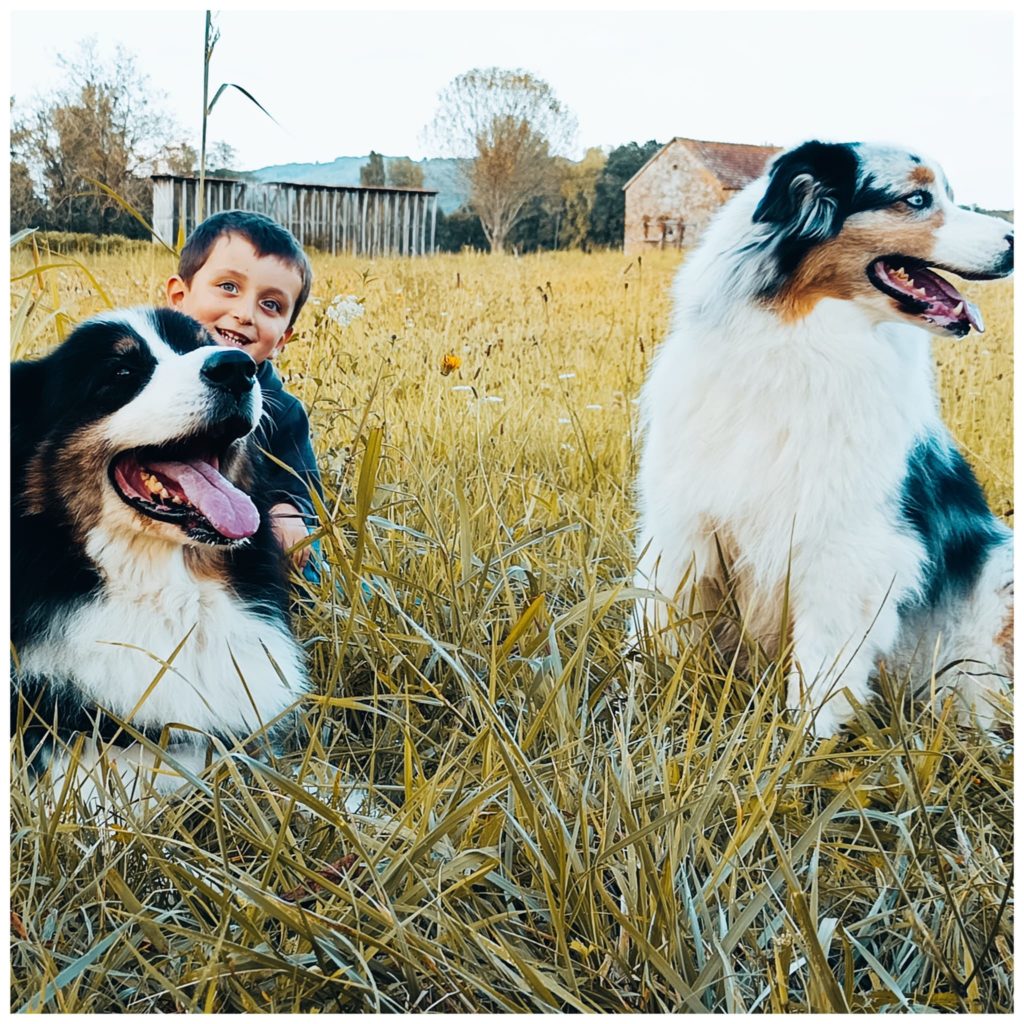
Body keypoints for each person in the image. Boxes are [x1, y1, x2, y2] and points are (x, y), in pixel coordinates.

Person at [165, 210, 322, 571]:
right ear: (179, 295)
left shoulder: (282, 411)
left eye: (271, 305)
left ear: (282, 338)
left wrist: (288, 512)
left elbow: (298, 483)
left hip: (242, 550)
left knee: (316, 570)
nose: (244, 313)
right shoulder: (147, 379)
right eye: (229, 287)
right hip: (153, 527)